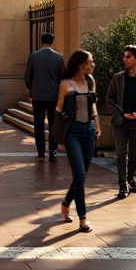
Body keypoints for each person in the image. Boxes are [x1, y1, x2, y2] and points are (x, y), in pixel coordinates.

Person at [55, 49, 101, 233]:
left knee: (80, 176)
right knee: (80, 175)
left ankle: (66, 202)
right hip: (72, 132)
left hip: (89, 131)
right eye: (90, 61)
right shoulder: (66, 84)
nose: (93, 64)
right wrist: (58, 137)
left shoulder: (90, 82)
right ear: (81, 64)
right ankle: (83, 219)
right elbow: (58, 110)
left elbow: (93, 107)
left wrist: (97, 126)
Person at [106, 44, 136, 199]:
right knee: (121, 154)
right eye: (124, 56)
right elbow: (109, 99)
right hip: (120, 123)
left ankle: (131, 180)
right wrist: (120, 112)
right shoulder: (117, 78)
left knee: (134, 155)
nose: (125, 59)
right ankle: (122, 184)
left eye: (128, 56)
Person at [24, 33, 65, 161]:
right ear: (53, 42)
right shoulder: (59, 58)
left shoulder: (34, 57)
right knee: (53, 124)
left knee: (39, 123)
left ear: (41, 42)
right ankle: (52, 151)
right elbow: (62, 78)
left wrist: (32, 90)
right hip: (53, 96)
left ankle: (41, 151)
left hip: (38, 96)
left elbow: (27, 77)